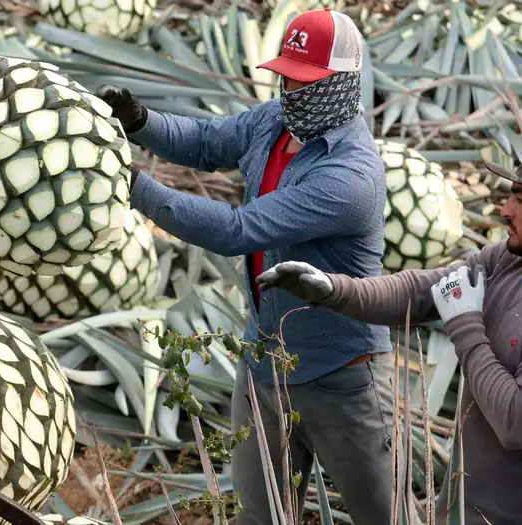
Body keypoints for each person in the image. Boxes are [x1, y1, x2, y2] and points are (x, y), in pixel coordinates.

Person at [94, 8, 394, 525]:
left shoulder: (349, 177)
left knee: (381, 517)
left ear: (345, 83)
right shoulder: (276, 122)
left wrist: (131, 184)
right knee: (260, 516)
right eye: (287, 76)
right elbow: (208, 142)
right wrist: (142, 122)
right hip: (262, 364)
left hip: (340, 379)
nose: (292, 90)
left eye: (307, 82)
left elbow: (237, 230)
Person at [256, 138, 522, 524]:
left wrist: (464, 323)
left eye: (520, 198)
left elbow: (517, 423)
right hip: (463, 510)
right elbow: (422, 291)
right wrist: (335, 289)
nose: (504, 210)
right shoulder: (512, 262)